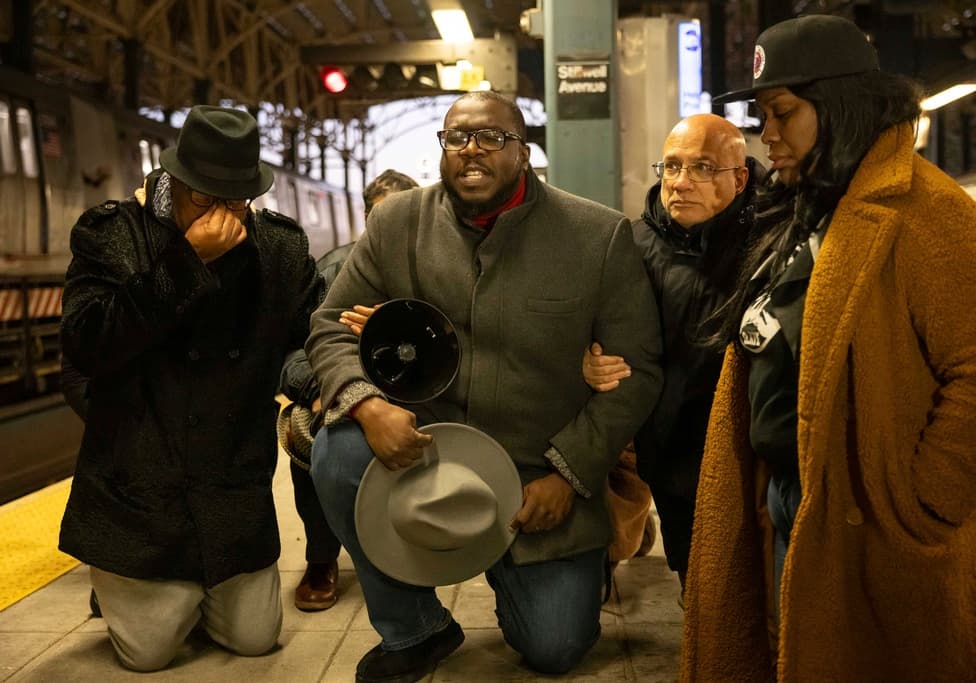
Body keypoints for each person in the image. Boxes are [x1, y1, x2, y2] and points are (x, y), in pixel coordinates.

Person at [680, 15, 976, 681]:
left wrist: (920, 505)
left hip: (875, 523)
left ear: (838, 107)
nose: (767, 133)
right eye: (762, 114)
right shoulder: (809, 210)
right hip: (795, 502)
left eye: (782, 113)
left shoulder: (926, 211)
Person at [306, 91, 663, 682]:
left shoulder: (597, 237)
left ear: (523, 153)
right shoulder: (397, 223)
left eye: (492, 138)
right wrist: (367, 405)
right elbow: (329, 325)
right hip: (424, 448)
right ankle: (416, 629)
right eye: (456, 137)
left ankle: (578, 558)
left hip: (536, 473)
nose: (471, 151)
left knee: (554, 647)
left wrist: (570, 474)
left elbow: (638, 371)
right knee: (335, 452)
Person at [58, 105, 324, 672]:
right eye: (205, 198)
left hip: (230, 484)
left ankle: (184, 594)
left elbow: (307, 336)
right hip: (141, 482)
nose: (222, 215)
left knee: (256, 640)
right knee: (149, 655)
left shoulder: (278, 247)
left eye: (235, 201)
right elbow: (85, 345)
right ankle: (124, 581)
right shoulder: (112, 234)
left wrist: (336, 360)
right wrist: (187, 262)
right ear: (173, 180)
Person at [581, 113, 764, 605]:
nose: (680, 183)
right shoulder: (631, 244)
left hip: (745, 439)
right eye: (671, 167)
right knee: (699, 592)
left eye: (701, 168)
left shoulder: (770, 243)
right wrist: (589, 360)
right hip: (663, 440)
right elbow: (591, 327)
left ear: (739, 177)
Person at [277, 168, 418, 611]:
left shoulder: (438, 268)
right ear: (365, 220)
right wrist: (325, 391)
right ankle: (321, 558)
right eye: (381, 219)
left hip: (423, 396)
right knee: (307, 431)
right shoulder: (333, 271)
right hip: (346, 395)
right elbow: (292, 357)